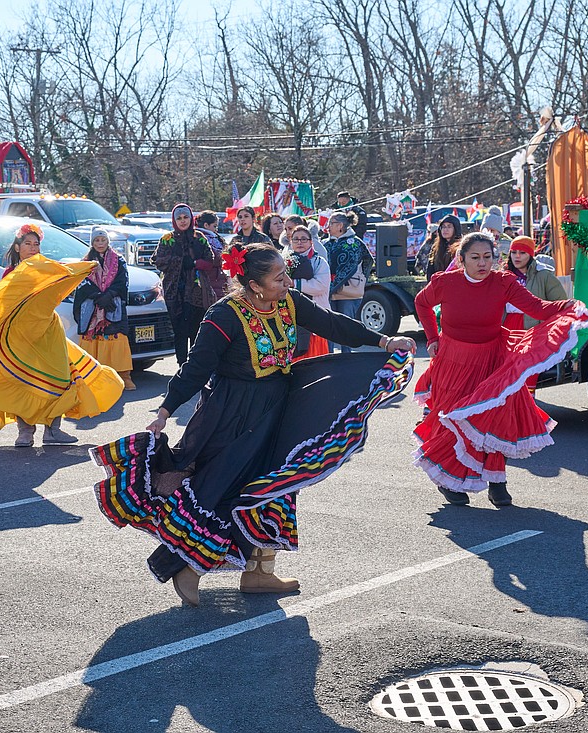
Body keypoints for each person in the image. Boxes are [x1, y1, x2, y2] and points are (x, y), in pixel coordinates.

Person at [91, 242, 415, 606]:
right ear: (255, 285)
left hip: (278, 407)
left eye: (286, 273)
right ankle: (187, 567)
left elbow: (331, 323)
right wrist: (165, 411)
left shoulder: (289, 302)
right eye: (280, 277)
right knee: (222, 489)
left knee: (276, 486)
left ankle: (259, 571)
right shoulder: (224, 315)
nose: (288, 282)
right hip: (233, 416)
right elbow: (196, 368)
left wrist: (384, 341)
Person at [413, 233, 588, 507]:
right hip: (453, 361)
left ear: (496, 259)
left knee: (496, 418)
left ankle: (497, 481)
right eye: (475, 258)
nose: (482, 263)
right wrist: (432, 338)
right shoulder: (446, 282)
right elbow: (421, 303)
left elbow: (537, 308)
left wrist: (568, 306)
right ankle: (446, 479)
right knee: (452, 421)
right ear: (461, 260)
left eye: (488, 257)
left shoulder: (504, 283)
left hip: (492, 359)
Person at [0, 223, 123, 448]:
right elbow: (0, 307)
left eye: (36, 244)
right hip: (20, 338)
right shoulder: (10, 274)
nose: (32, 248)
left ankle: (53, 430)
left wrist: (86, 267)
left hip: (48, 333)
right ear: (17, 247)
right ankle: (25, 431)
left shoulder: (46, 268)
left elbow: (66, 276)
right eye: (27, 244)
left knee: (59, 378)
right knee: (21, 381)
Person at [503, 235, 568, 397]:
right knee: (507, 367)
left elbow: (560, 302)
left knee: (529, 366)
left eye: (522, 253)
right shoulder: (503, 275)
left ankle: (528, 403)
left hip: (532, 327)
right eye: (514, 252)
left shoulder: (543, 275)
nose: (517, 256)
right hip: (507, 325)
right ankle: (510, 405)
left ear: (530, 255)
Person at [152, 204, 216, 366]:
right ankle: (182, 364)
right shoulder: (167, 239)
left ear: (191, 218)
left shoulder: (199, 237)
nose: (182, 221)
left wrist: (194, 263)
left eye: (185, 217)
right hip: (175, 292)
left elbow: (211, 260)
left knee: (196, 330)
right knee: (179, 331)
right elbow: (158, 261)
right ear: (174, 220)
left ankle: (195, 366)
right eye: (179, 218)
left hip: (197, 291)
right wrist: (179, 261)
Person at [75, 227, 136, 391]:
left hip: (112, 304)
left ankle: (123, 376)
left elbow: (123, 281)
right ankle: (93, 378)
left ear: (108, 241)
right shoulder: (86, 262)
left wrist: (109, 295)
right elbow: (81, 285)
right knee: (93, 338)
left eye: (103, 240)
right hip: (93, 307)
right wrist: (98, 296)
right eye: (97, 240)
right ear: (92, 243)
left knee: (117, 338)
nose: (100, 243)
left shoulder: (119, 260)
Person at [285, 225, 332, 359]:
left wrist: (294, 283)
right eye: (296, 239)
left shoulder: (319, 262)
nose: (299, 242)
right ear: (291, 242)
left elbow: (320, 286)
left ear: (311, 242)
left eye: (303, 239)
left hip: (315, 315)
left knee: (316, 359)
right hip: (292, 319)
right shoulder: (285, 261)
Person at [325, 211, 369, 352]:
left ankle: (347, 357)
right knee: (329, 325)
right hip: (329, 290)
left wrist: (362, 278)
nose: (328, 226)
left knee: (346, 325)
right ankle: (328, 355)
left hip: (348, 292)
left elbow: (367, 260)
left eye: (331, 223)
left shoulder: (354, 243)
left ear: (340, 225)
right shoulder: (326, 243)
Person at [195, 210, 228, 300]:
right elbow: (213, 257)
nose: (216, 229)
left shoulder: (215, 238)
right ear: (206, 225)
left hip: (216, 278)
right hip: (210, 277)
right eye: (214, 226)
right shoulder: (205, 239)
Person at [422, 214, 462, 280]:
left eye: (449, 227)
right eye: (443, 227)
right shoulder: (436, 247)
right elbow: (430, 270)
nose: (445, 230)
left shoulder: (461, 247)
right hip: (438, 284)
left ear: (455, 229)